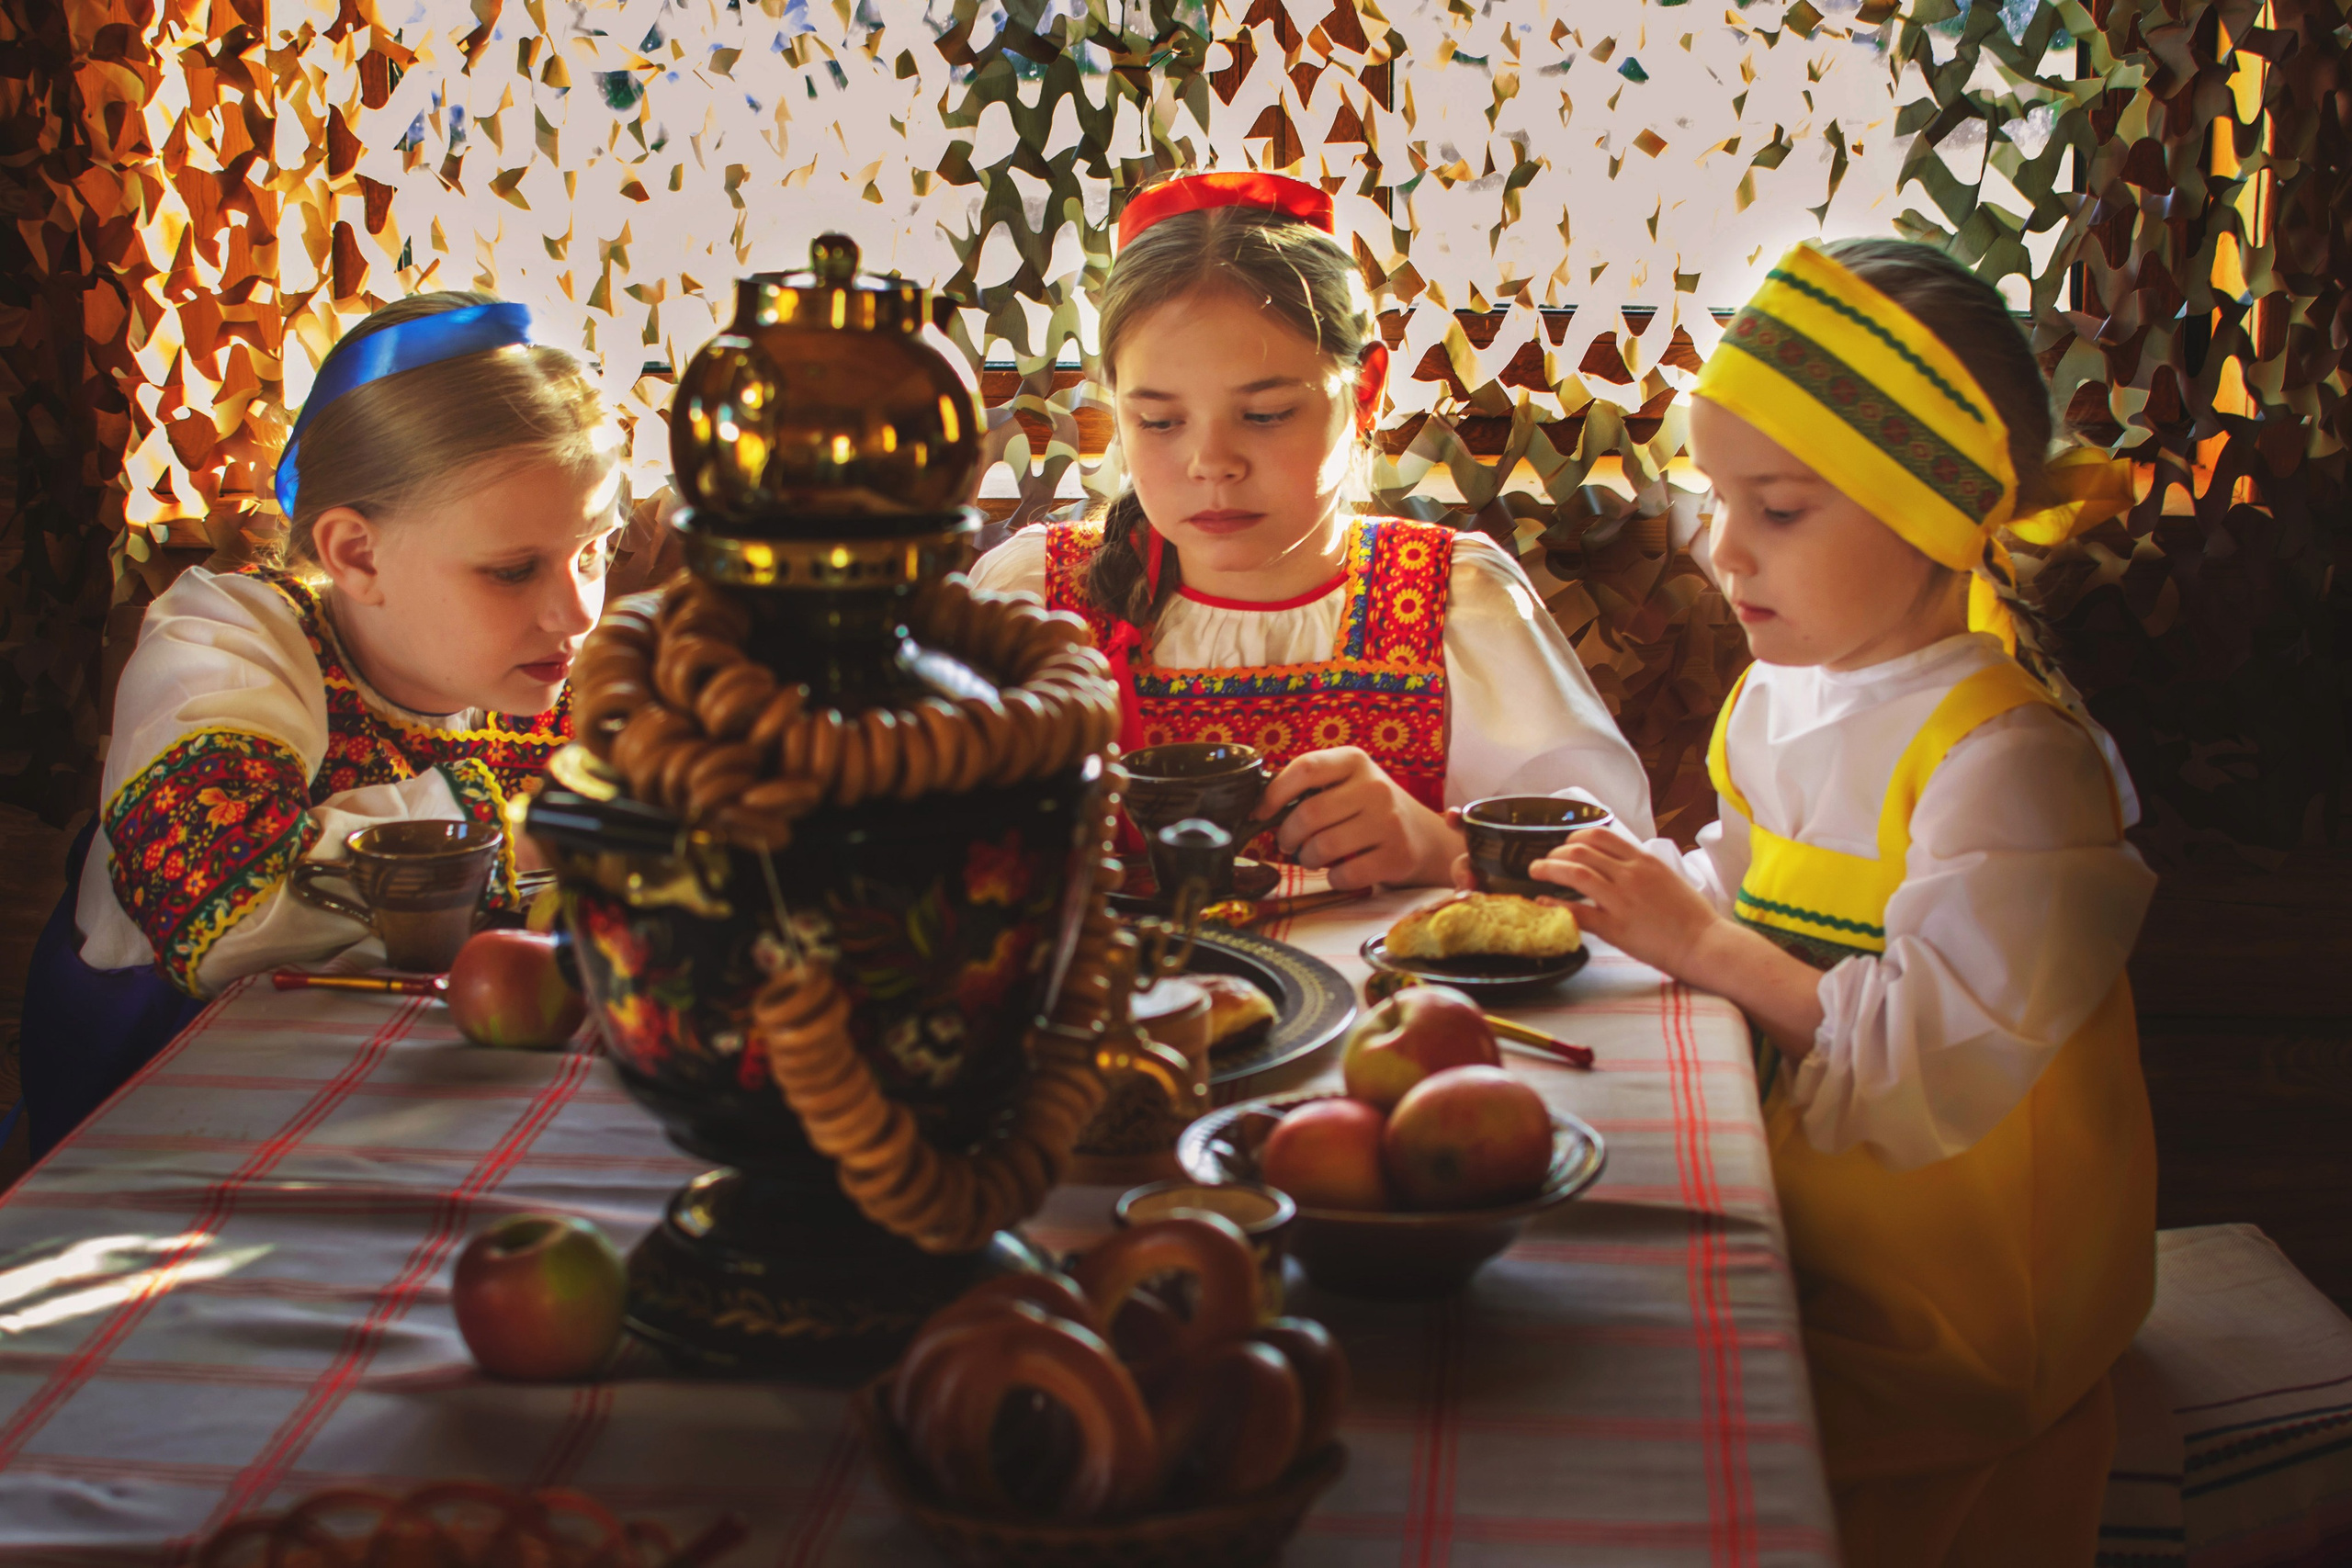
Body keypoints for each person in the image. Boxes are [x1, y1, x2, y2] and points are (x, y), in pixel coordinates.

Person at [1529, 239, 2155, 1565]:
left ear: (1928, 509)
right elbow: (1754, 893)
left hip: (1958, 1297)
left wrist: (1697, 935)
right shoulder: (1783, 693)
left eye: (1782, 507)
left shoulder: (2009, 766)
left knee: (1726, 1484)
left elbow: (1916, 1052)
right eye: (1716, 494)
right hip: (1813, 1218)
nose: (1718, 542)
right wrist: (1630, 899)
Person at [20, 291, 624, 1155]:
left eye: (594, 549)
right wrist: (549, 831)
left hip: (420, 1109)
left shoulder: (544, 674)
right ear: (357, 553)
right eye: (513, 569)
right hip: (179, 1127)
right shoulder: (226, 644)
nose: (576, 611)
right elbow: (222, 903)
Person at [967, 171, 1653, 886]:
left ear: (1365, 393)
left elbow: (1621, 877)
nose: (1213, 464)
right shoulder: (1035, 602)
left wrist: (1440, 848)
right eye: (1159, 421)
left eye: (1264, 415)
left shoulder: (1454, 605)